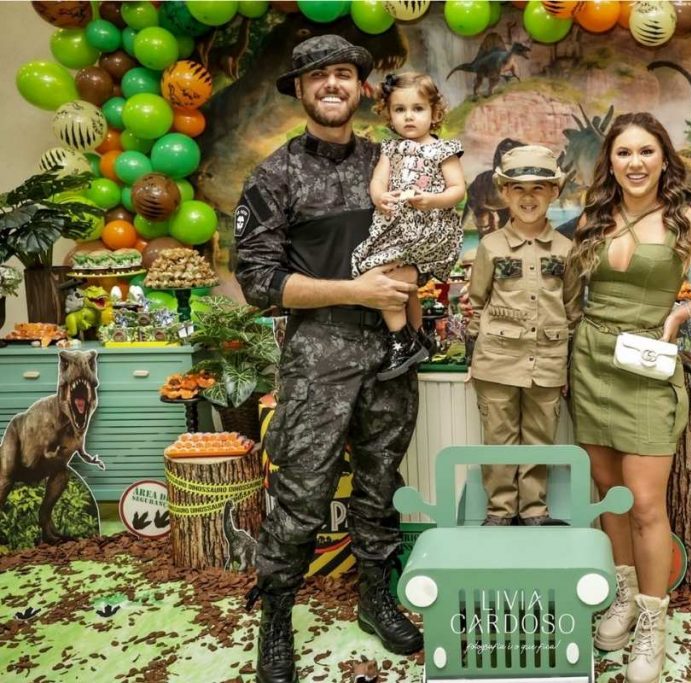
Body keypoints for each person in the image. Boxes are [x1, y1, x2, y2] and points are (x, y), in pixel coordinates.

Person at [233, 35, 423, 683]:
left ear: (361, 87)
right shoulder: (275, 175)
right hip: (317, 359)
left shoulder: (391, 160)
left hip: (390, 354)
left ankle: (375, 599)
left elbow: (424, 237)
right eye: (318, 77)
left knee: (379, 484)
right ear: (302, 90)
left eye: (343, 73)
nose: (332, 85)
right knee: (300, 494)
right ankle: (277, 619)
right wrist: (355, 290)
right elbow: (259, 282)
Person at [568, 112, 691, 683]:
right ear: (610, 161)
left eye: (646, 152)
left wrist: (682, 311)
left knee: (648, 504)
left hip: (647, 366)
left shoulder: (686, 218)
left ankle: (654, 621)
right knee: (611, 494)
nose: (635, 163)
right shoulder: (595, 216)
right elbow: (572, 288)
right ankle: (624, 598)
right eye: (623, 152)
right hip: (591, 361)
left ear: (663, 158)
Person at [465, 145, 582, 526]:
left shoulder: (566, 250)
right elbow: (477, 304)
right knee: (498, 440)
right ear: (504, 193)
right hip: (496, 362)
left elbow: (573, 308)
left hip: (547, 361)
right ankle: (499, 512)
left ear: (553, 193)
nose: (528, 198)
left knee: (538, 438)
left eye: (538, 188)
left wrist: (569, 366)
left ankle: (534, 511)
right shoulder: (490, 247)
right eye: (518, 189)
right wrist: (473, 357)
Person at [352, 71, 466, 380]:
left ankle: (400, 340)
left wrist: (431, 200)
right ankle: (416, 336)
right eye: (400, 110)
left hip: (429, 228)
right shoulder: (389, 150)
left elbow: (458, 190)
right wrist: (380, 198)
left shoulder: (443, 149)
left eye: (418, 109)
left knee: (382, 275)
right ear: (388, 114)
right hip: (399, 229)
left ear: (434, 112)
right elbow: (378, 182)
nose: (409, 117)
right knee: (405, 286)